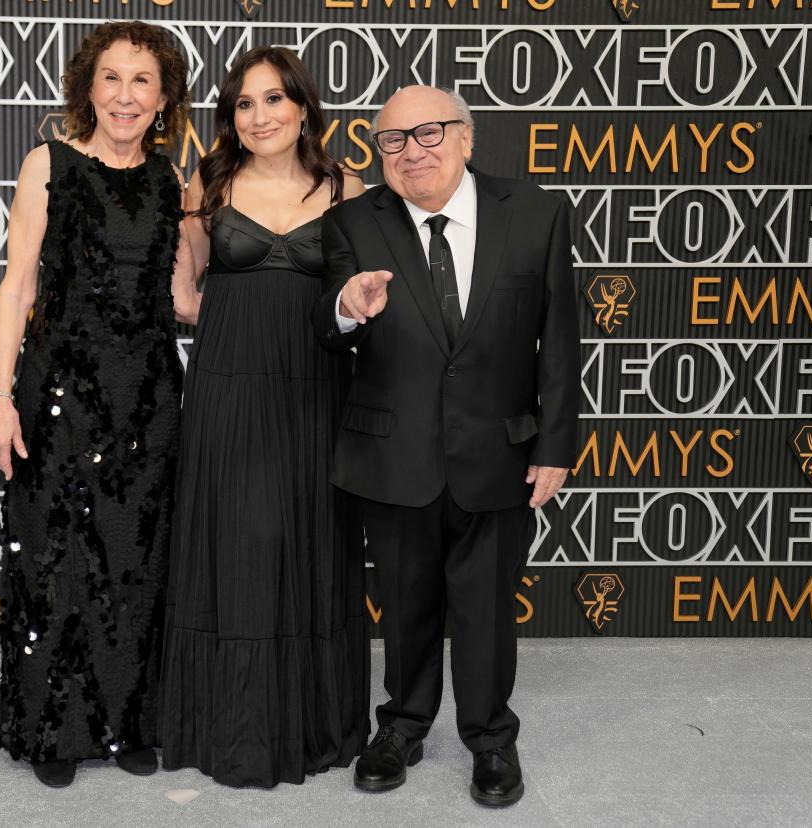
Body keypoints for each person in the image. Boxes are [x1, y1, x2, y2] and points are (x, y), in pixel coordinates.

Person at [311, 86, 580, 806]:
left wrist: (555, 443)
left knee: (488, 608)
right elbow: (326, 328)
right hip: (394, 454)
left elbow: (559, 342)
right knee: (404, 606)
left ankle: (490, 739)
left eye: (427, 133)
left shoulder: (538, 213)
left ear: (465, 137)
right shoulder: (349, 223)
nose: (411, 152)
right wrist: (347, 308)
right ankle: (400, 726)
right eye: (391, 141)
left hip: (501, 450)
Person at [0, 20, 198, 789]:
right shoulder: (49, 164)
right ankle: (55, 730)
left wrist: (283, 286)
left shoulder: (173, 180)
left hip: (146, 396)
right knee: (56, 561)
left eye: (143, 81)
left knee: (136, 559)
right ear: (89, 88)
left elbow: (180, 299)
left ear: (165, 97)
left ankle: (129, 721)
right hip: (57, 391)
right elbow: (17, 287)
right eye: (112, 78)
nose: (126, 96)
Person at [158, 46, 370, 788]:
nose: (260, 116)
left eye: (274, 99)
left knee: (306, 537)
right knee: (237, 541)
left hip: (315, 384)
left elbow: (359, 301)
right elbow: (184, 295)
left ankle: (307, 722)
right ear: (230, 117)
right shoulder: (209, 184)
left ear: (304, 107)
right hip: (229, 384)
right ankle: (234, 726)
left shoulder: (348, 188)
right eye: (244, 104)